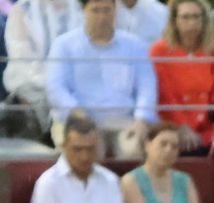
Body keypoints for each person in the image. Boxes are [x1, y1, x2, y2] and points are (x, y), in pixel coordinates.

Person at [45, 0, 155, 156]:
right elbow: (55, 89)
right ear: (84, 11)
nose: (102, 17)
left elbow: (147, 87)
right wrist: (80, 115)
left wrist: (141, 119)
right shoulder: (64, 45)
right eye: (96, 11)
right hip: (77, 120)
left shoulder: (135, 45)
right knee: (89, 150)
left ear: (115, 10)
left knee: (132, 149)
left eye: (107, 10)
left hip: (123, 120)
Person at [148, 0, 214, 149]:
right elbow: (166, 96)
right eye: (186, 17)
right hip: (170, 124)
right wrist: (182, 126)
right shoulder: (159, 50)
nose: (192, 22)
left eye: (196, 17)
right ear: (175, 21)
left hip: (206, 124)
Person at [3, 0, 82, 136]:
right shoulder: (22, 10)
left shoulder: (80, 8)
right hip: (33, 88)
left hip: (74, 88)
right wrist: (55, 84)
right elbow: (22, 60)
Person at [30, 109, 125, 203]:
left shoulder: (110, 181)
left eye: (90, 149)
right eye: (77, 149)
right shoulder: (48, 183)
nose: (84, 157)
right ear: (64, 145)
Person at [119, 119, 202, 203]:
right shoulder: (131, 181)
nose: (168, 150)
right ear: (147, 145)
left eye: (174, 146)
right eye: (163, 144)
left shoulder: (185, 180)